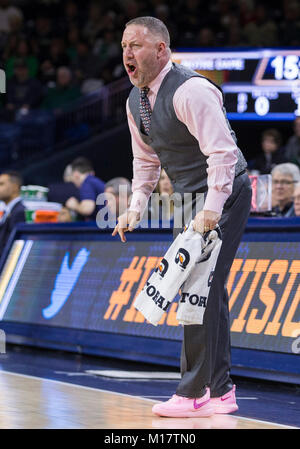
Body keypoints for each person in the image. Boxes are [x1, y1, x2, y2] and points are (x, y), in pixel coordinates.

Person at [112, 16, 252, 417]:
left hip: (224, 193)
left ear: (161, 49)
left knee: (198, 292)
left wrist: (211, 211)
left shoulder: (191, 90)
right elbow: (145, 162)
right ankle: (222, 391)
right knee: (210, 293)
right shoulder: (134, 101)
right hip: (188, 199)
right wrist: (135, 208)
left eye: (135, 45)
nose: (127, 53)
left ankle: (193, 394)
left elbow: (223, 155)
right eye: (124, 45)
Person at [66, 157, 105, 221]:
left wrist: (74, 205)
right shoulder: (95, 181)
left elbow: (87, 209)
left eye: (72, 176)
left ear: (76, 174)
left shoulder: (87, 183)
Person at [0, 170, 25, 254]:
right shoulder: (7, 211)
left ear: (14, 187)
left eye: (1, 184)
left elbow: (10, 247)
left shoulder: (19, 212)